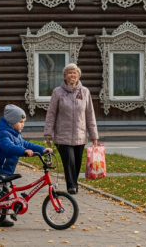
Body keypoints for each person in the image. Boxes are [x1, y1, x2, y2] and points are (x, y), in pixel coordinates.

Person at [0, 105, 52, 227]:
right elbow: (7, 147)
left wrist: (42, 150)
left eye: (23, 122)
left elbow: (26, 144)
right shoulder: (3, 134)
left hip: (4, 172)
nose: (22, 125)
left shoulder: (16, 134)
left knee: (4, 197)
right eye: (20, 122)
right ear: (11, 122)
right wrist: (22, 151)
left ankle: (1, 219)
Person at [44, 63, 98, 195]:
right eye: (69, 73)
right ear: (65, 76)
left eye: (74, 73)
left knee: (77, 162)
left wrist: (94, 135)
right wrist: (48, 133)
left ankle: (73, 184)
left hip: (80, 134)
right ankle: (72, 186)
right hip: (63, 134)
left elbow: (90, 114)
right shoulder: (58, 92)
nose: (72, 75)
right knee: (69, 161)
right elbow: (51, 113)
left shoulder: (85, 92)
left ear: (78, 75)